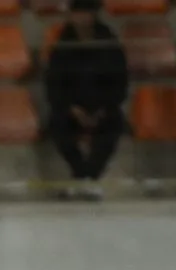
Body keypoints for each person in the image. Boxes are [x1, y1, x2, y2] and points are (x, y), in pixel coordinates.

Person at [45, 0, 128, 200]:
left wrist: (103, 108)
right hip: (71, 108)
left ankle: (88, 176)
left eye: (86, 13)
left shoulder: (108, 42)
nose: (81, 19)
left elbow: (120, 81)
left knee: (115, 124)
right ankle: (83, 176)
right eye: (77, 14)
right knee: (56, 123)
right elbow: (53, 83)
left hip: (102, 107)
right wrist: (72, 108)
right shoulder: (63, 43)